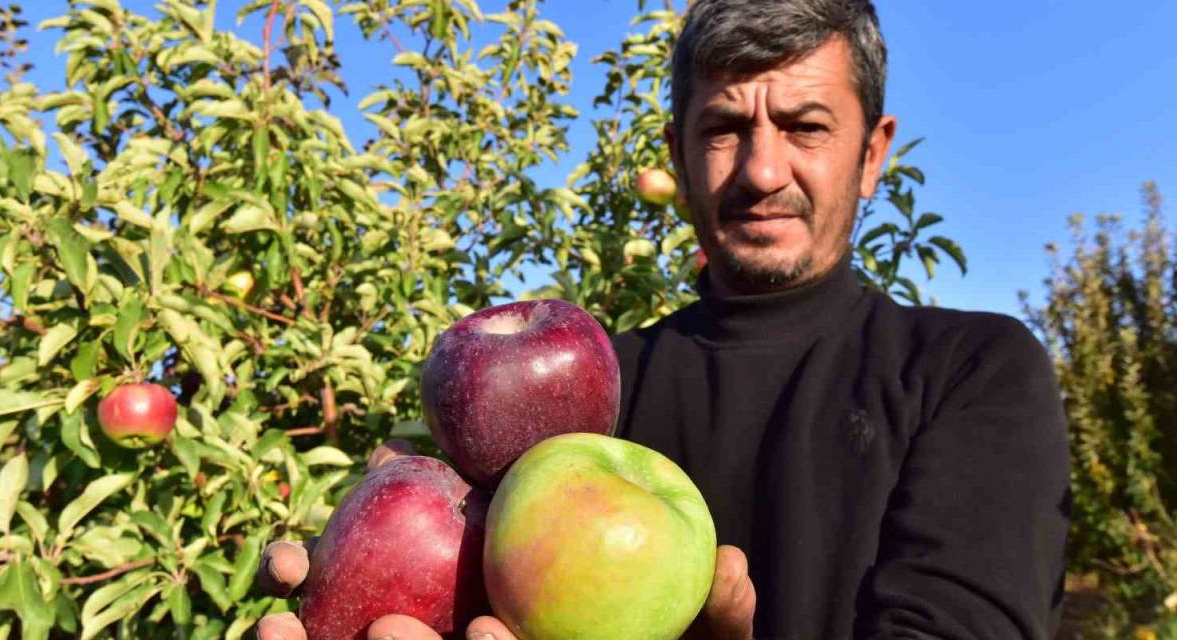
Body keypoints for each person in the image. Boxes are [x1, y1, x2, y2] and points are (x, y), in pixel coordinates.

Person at [256, 0, 1071, 638]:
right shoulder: (583, 395)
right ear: (676, 155)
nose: (761, 169)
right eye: (722, 128)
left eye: (806, 126)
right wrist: (385, 558)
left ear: (873, 153)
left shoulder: (972, 369)